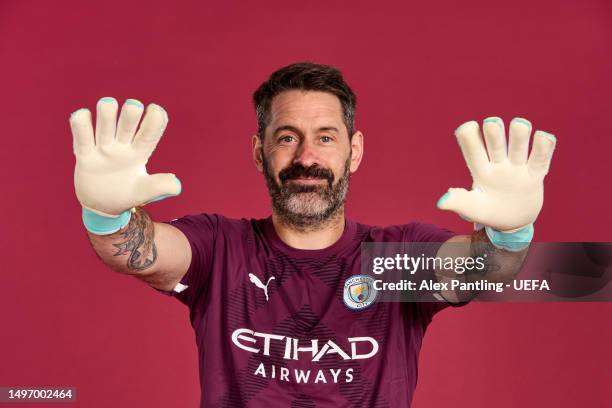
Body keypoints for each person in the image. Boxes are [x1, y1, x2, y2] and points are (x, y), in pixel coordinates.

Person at [69, 62, 556, 407]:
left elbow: (479, 272)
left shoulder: (392, 259)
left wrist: (508, 234)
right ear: (260, 153)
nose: (307, 156)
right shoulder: (220, 248)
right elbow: (140, 254)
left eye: (326, 137)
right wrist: (107, 213)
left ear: (354, 151)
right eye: (286, 137)